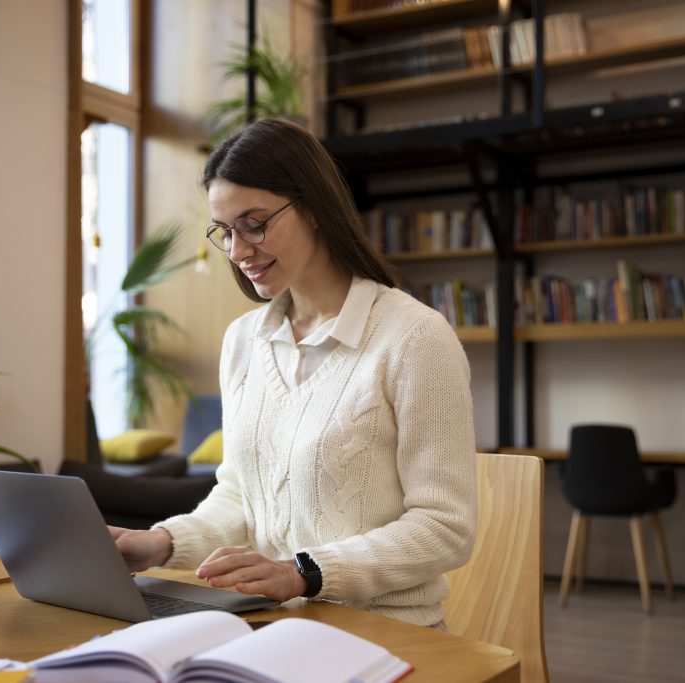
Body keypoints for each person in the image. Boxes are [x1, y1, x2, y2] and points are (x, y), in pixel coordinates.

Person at [109, 118, 477, 628]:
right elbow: (240, 496)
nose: (239, 252)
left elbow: (445, 527)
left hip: (387, 632)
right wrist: (159, 544)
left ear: (314, 207)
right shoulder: (244, 340)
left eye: (254, 223)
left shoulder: (415, 338)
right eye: (226, 232)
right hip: (271, 625)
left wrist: (305, 572)